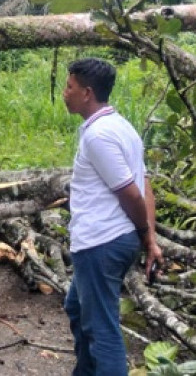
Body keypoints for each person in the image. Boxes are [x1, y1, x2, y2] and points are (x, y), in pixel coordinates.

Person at [62, 58, 163, 376]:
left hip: (101, 243)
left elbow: (132, 193)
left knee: (102, 331)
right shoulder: (121, 126)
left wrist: (146, 232)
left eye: (70, 87)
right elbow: (145, 183)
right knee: (76, 306)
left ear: (87, 93)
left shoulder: (99, 136)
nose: (65, 93)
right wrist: (148, 239)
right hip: (111, 240)